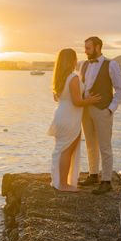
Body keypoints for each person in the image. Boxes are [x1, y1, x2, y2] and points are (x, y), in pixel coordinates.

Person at [48, 48, 101, 191]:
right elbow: (77, 101)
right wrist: (91, 100)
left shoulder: (58, 78)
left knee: (61, 149)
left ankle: (59, 181)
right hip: (69, 117)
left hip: (62, 115)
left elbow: (58, 98)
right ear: (72, 60)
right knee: (66, 150)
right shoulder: (73, 78)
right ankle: (63, 184)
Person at [78, 36, 121, 195]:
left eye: (88, 48)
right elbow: (81, 86)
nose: (85, 51)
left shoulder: (111, 64)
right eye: (85, 48)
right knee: (90, 144)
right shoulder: (84, 65)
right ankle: (93, 175)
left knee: (105, 146)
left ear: (98, 47)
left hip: (103, 110)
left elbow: (120, 90)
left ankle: (106, 181)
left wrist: (110, 109)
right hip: (86, 110)